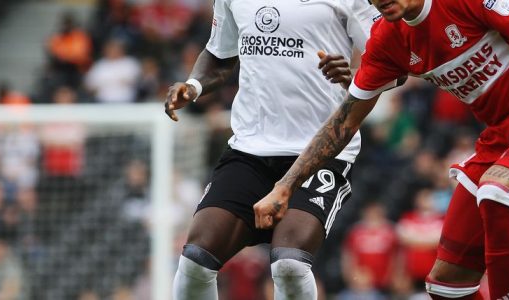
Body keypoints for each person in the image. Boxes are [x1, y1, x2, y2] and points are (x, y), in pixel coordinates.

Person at [255, 0, 509, 298]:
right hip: (503, 135)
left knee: (497, 190)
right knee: (446, 285)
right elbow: (343, 123)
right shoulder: (387, 39)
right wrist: (285, 186)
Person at [162, 0, 381, 298]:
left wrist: (355, 73)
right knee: (195, 261)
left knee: (289, 266)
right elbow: (219, 55)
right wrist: (194, 86)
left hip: (321, 152)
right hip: (249, 151)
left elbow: (393, 61)